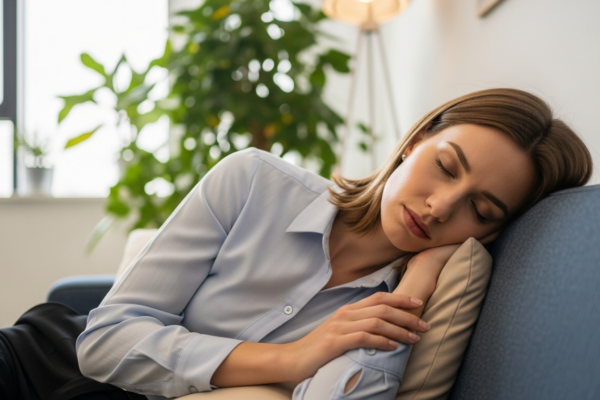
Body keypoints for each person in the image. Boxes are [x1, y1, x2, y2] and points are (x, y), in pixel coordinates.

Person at [0, 88, 592, 400]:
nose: (441, 207)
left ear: (489, 232)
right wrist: (291, 358)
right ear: (414, 141)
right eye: (444, 166)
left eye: (479, 210)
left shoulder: (400, 304)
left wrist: (415, 286)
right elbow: (104, 341)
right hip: (42, 362)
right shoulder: (252, 180)